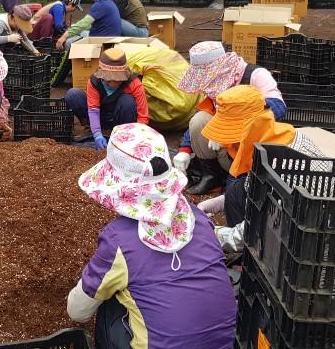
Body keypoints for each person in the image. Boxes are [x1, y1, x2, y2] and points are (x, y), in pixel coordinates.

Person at [68, 123, 236, 348]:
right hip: (225, 344)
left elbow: (78, 311)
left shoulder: (118, 241)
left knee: (107, 299)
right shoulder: (199, 219)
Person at [194, 85, 329, 251]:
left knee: (241, 199)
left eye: (231, 138)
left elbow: (265, 226)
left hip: (312, 236)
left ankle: (255, 262)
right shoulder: (279, 137)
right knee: (236, 191)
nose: (227, 145)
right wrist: (217, 203)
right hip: (304, 215)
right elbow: (250, 187)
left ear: (248, 131)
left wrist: (214, 235)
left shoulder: (280, 168)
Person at [173, 41, 286, 195]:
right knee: (199, 119)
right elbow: (209, 112)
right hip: (227, 150)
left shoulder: (256, 75)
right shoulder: (214, 87)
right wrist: (185, 149)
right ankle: (213, 176)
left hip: (250, 149)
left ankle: (239, 178)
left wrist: (231, 126)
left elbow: (279, 108)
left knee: (237, 188)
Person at [65, 48, 149, 149]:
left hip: (119, 116)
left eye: (117, 79)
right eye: (109, 79)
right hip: (101, 115)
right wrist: (97, 134)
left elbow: (143, 116)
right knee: (73, 95)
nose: (112, 83)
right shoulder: (94, 82)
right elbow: (93, 110)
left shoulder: (134, 83)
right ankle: (92, 128)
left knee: (127, 101)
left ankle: (122, 134)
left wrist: (138, 136)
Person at [55, 0, 122, 52]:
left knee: (68, 42)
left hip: (102, 44)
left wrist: (63, 37)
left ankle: (72, 63)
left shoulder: (100, 5)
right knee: (83, 33)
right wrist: (73, 28)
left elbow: (83, 24)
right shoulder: (109, 3)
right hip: (110, 40)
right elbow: (90, 24)